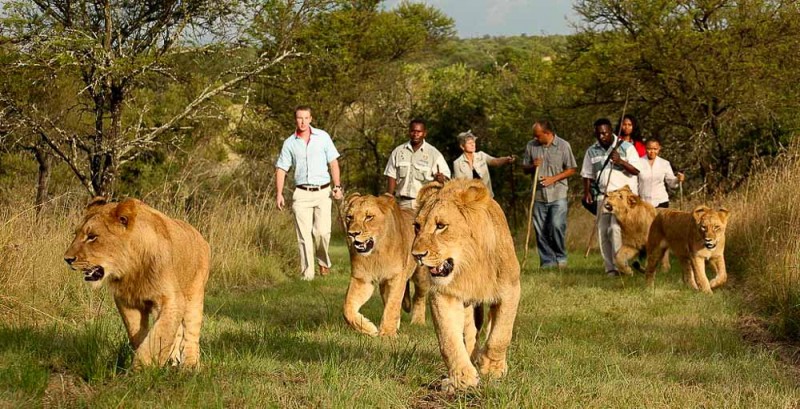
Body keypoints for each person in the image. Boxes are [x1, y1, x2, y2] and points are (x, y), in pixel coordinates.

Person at [275, 105, 344, 281]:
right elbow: (282, 168)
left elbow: (333, 163)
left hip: (323, 191)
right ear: (295, 119)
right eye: (299, 118)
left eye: (306, 118)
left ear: (311, 119)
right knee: (304, 235)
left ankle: (323, 261)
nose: (303, 121)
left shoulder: (323, 137)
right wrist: (279, 193)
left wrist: (337, 186)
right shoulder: (289, 143)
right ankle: (308, 274)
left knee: (322, 232)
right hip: (301, 193)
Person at [581, 118, 643, 276]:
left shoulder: (626, 147)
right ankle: (610, 268)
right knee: (603, 231)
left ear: (611, 132)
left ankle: (621, 264)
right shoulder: (591, 151)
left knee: (615, 229)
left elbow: (636, 170)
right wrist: (587, 191)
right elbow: (587, 174)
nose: (602, 136)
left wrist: (620, 161)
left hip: (622, 196)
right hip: (604, 195)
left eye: (605, 133)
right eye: (599, 134)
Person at [521, 120, 578, 269]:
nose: (535, 138)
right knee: (540, 230)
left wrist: (553, 179)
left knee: (556, 225)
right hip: (539, 195)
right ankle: (547, 261)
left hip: (558, 194)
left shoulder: (563, 146)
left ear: (547, 133)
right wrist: (532, 166)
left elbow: (572, 169)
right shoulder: (531, 146)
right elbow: (524, 168)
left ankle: (561, 258)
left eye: (538, 135)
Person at [384, 119, 451, 209]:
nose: (415, 134)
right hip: (401, 204)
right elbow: (391, 175)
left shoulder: (434, 153)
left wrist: (442, 178)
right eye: (413, 131)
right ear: (409, 132)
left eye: (419, 132)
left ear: (424, 133)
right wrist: (389, 198)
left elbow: (447, 177)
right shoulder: (398, 151)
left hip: (423, 204)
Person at [452, 130, 514, 197]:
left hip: (487, 196)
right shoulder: (457, 163)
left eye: (473, 142)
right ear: (462, 146)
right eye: (469, 143)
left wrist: (506, 159)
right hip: (470, 199)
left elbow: (495, 161)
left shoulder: (481, 155)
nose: (473, 145)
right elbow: (459, 184)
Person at [638, 137, 685, 208]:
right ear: (645, 148)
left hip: (661, 202)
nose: (652, 152)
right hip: (643, 203)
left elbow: (671, 183)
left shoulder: (664, 163)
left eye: (655, 149)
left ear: (659, 148)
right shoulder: (638, 162)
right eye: (649, 149)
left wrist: (677, 179)